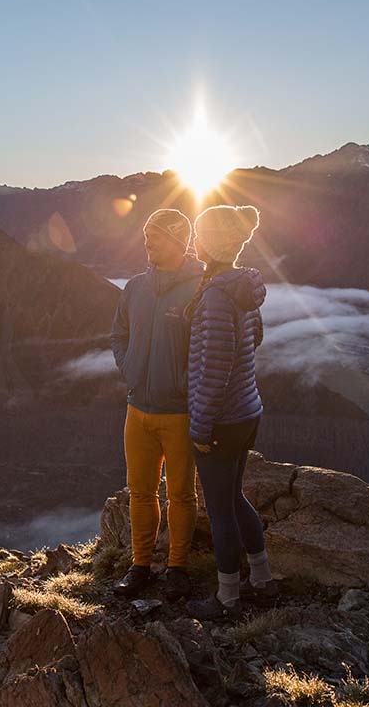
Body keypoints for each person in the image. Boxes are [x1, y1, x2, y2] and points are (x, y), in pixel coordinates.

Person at [182, 204, 276, 620]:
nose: (193, 242)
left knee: (219, 510)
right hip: (247, 411)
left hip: (221, 419)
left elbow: (214, 368)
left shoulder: (218, 297)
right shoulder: (242, 288)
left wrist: (200, 424)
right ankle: (262, 580)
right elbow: (254, 337)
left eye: (198, 235)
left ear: (211, 243)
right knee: (235, 498)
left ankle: (227, 598)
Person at [109, 208, 204, 601]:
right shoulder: (134, 288)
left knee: (181, 494)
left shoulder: (200, 288)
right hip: (137, 410)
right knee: (140, 491)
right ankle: (141, 565)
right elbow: (119, 333)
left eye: (156, 236)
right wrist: (129, 369)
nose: (148, 242)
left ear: (179, 241)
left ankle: (178, 567)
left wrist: (185, 387)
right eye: (146, 235)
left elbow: (209, 348)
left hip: (179, 413)